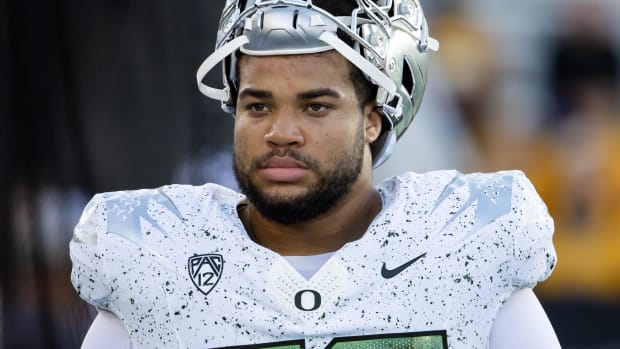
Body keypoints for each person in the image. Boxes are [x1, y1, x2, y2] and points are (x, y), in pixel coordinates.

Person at [70, 1, 561, 348]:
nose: (281, 133)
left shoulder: (467, 251)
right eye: (258, 105)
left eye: (316, 106)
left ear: (374, 117)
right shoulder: (154, 262)